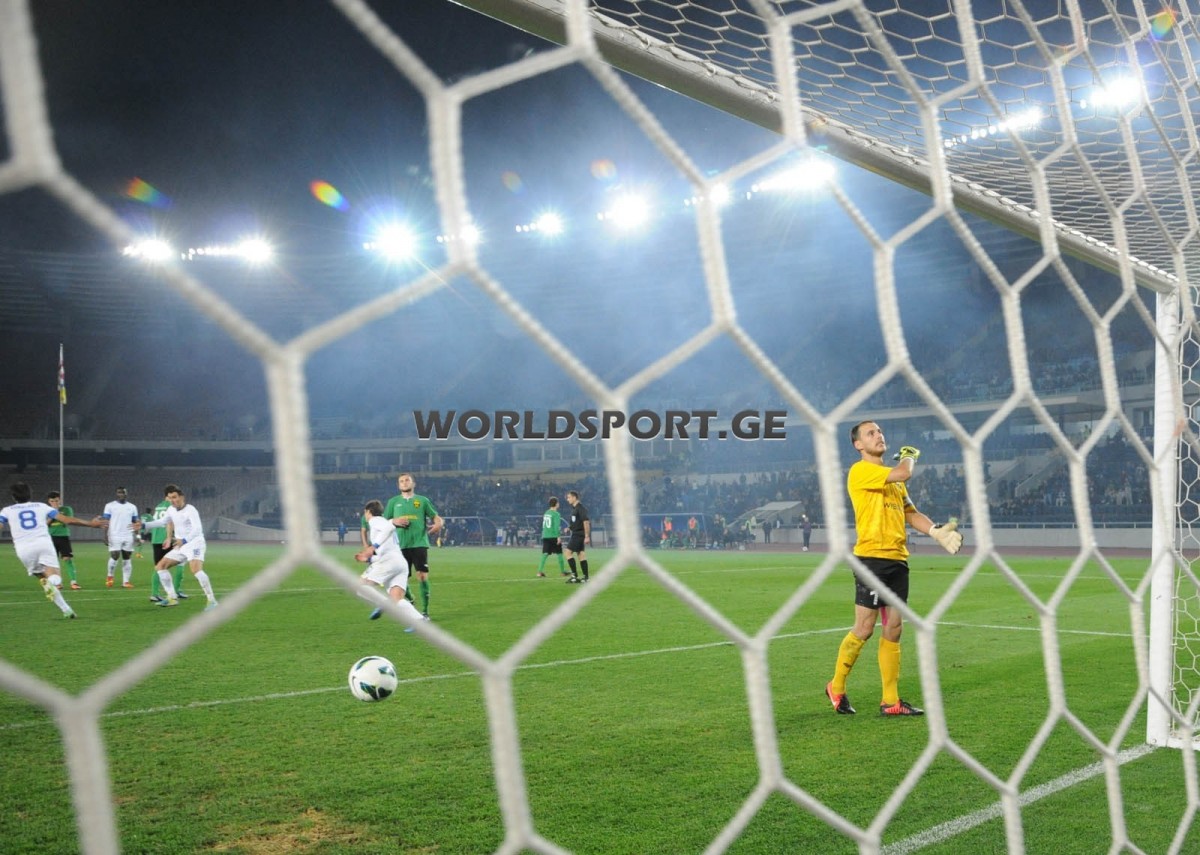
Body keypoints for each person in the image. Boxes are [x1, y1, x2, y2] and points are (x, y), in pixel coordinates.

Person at [825, 422, 962, 717]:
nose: (879, 435)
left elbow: (911, 513)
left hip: (898, 559)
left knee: (894, 628)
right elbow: (904, 471)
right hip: (871, 560)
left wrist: (936, 531)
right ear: (858, 445)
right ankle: (836, 686)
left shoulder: (894, 481)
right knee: (864, 628)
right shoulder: (861, 471)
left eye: (880, 431)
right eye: (870, 433)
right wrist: (909, 455)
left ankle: (890, 701)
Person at [1, 481, 105, 618]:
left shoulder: (6, 510)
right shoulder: (41, 506)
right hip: (43, 544)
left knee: (42, 578)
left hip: (23, 549)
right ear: (30, 494)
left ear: (13, 497)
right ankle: (53, 584)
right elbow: (66, 520)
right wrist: (90, 524)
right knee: (54, 577)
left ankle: (66, 610)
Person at [134, 484, 218, 610]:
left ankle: (212, 601)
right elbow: (162, 522)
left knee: (196, 570)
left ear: (181, 497)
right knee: (160, 566)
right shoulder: (171, 510)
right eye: (170, 498)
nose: (172, 500)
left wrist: (183, 540)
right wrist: (144, 525)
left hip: (195, 543)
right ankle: (172, 598)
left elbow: (197, 529)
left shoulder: (191, 510)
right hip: (181, 545)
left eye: (174, 497)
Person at [380, 473, 443, 618]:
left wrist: (438, 524)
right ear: (398, 485)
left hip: (419, 543)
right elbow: (383, 522)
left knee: (422, 576)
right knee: (402, 579)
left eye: (407, 480)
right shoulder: (393, 502)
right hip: (400, 546)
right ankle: (411, 598)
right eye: (401, 481)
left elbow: (436, 517)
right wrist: (394, 521)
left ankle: (425, 612)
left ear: (413, 483)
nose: (404, 483)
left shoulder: (422, 500)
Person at [357, 500, 425, 627]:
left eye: (365, 513)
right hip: (399, 562)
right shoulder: (382, 523)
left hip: (388, 562)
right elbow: (387, 548)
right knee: (397, 599)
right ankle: (420, 620)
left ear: (368, 512)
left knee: (361, 586)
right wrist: (368, 559)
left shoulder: (375, 521)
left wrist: (373, 546)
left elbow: (389, 527)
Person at [145, 491, 188, 605]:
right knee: (181, 563)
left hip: (156, 539)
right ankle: (176, 591)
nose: (174, 499)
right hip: (168, 539)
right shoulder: (172, 506)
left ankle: (154, 594)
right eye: (172, 497)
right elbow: (172, 521)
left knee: (159, 566)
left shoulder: (158, 506)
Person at [101, 487, 140, 588]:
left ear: (126, 494)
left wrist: (138, 535)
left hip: (128, 535)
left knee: (127, 557)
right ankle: (110, 576)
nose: (122, 494)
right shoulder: (109, 506)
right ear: (116, 494)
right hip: (114, 534)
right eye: (119, 492)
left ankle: (126, 582)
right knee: (115, 555)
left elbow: (135, 522)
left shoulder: (132, 507)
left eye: (123, 492)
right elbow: (105, 521)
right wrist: (105, 535)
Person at [47, 491, 82, 589]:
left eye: (56, 501)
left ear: (60, 500)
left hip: (63, 536)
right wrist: (53, 514)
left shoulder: (66, 509)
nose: (55, 503)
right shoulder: (46, 511)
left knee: (67, 558)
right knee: (53, 561)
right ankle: (58, 583)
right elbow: (45, 524)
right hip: (50, 537)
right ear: (49, 501)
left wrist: (57, 513)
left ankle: (74, 582)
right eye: (52, 501)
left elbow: (68, 521)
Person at [536, 496, 569, 578]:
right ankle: (562, 572)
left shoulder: (546, 513)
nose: (559, 504)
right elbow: (556, 526)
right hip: (553, 536)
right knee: (559, 553)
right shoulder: (556, 514)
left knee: (545, 553)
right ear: (556, 504)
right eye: (558, 503)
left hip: (545, 535)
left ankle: (539, 571)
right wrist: (558, 536)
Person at [563, 490, 590, 583]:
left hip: (578, 534)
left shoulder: (580, 508)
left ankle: (574, 577)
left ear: (574, 497)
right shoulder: (574, 509)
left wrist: (587, 536)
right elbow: (576, 522)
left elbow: (586, 522)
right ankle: (585, 577)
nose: (567, 499)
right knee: (580, 554)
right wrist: (569, 528)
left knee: (567, 552)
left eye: (569, 497)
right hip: (576, 533)